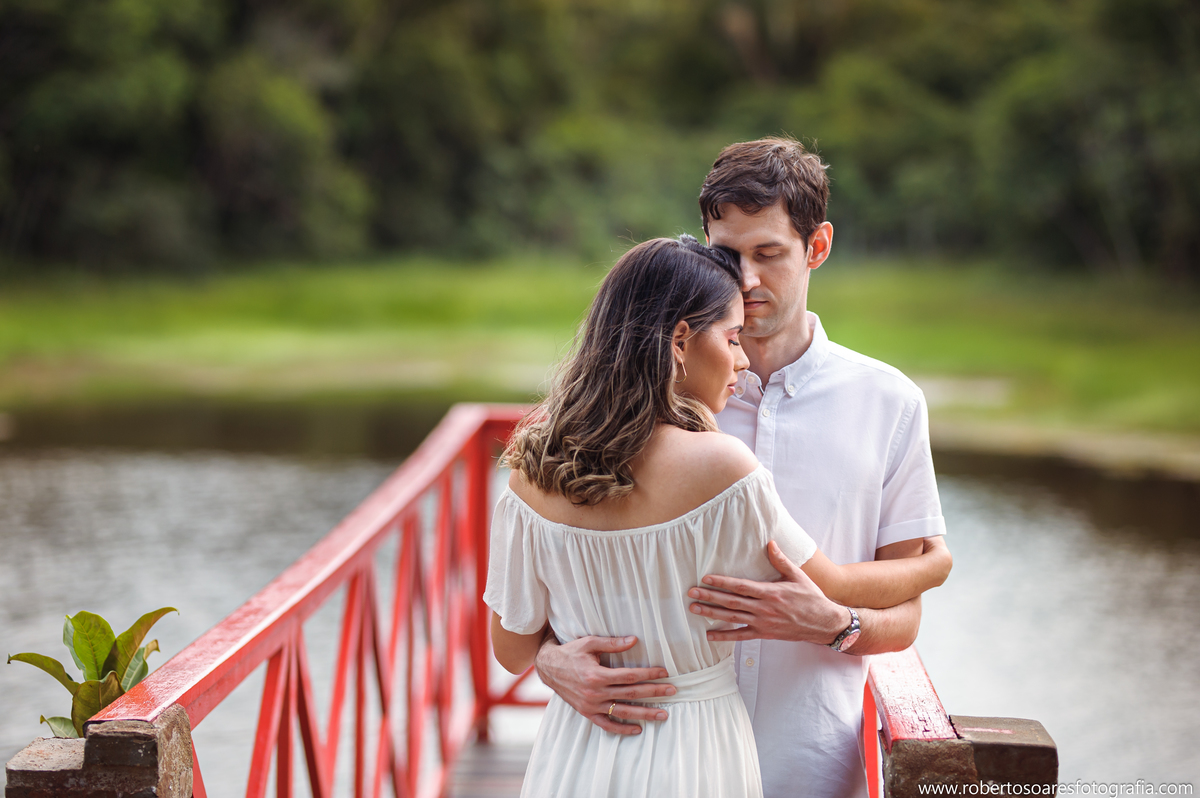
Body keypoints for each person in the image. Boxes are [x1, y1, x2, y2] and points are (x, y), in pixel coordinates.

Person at [534, 138, 951, 798]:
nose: (747, 279)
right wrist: (551, 662)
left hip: (808, 765)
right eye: (728, 255)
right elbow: (546, 571)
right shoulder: (642, 401)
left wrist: (837, 626)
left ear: (817, 248)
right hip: (650, 763)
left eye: (770, 253)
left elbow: (905, 614)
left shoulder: (890, 404)